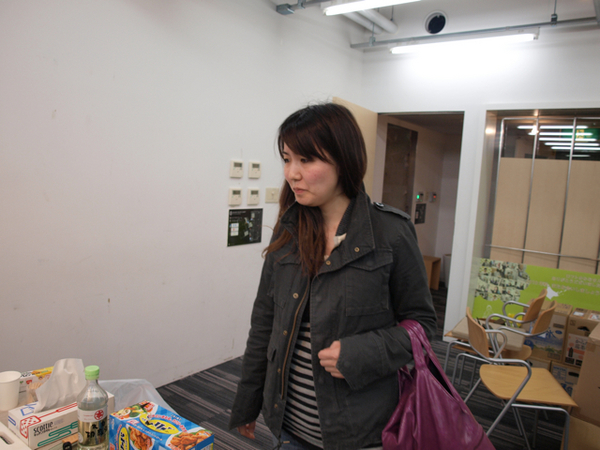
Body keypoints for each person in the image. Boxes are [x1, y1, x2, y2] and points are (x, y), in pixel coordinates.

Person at [229, 103, 437, 450]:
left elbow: (423, 326)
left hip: (362, 433)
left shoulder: (391, 232)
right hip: (289, 426)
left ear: (343, 160)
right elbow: (265, 323)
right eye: (287, 159)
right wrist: (248, 402)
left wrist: (362, 353)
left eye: (306, 160)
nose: (291, 173)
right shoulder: (288, 229)